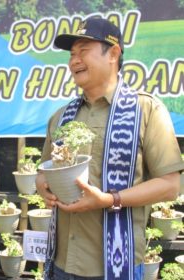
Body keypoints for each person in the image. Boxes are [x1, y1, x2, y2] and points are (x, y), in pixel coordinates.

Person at [36, 17, 184, 280]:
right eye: (71, 55)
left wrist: (110, 200)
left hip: (116, 266)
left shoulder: (146, 110)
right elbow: (43, 171)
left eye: (83, 51)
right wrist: (43, 186)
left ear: (113, 53)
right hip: (61, 264)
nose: (73, 61)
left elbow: (171, 185)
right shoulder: (61, 117)